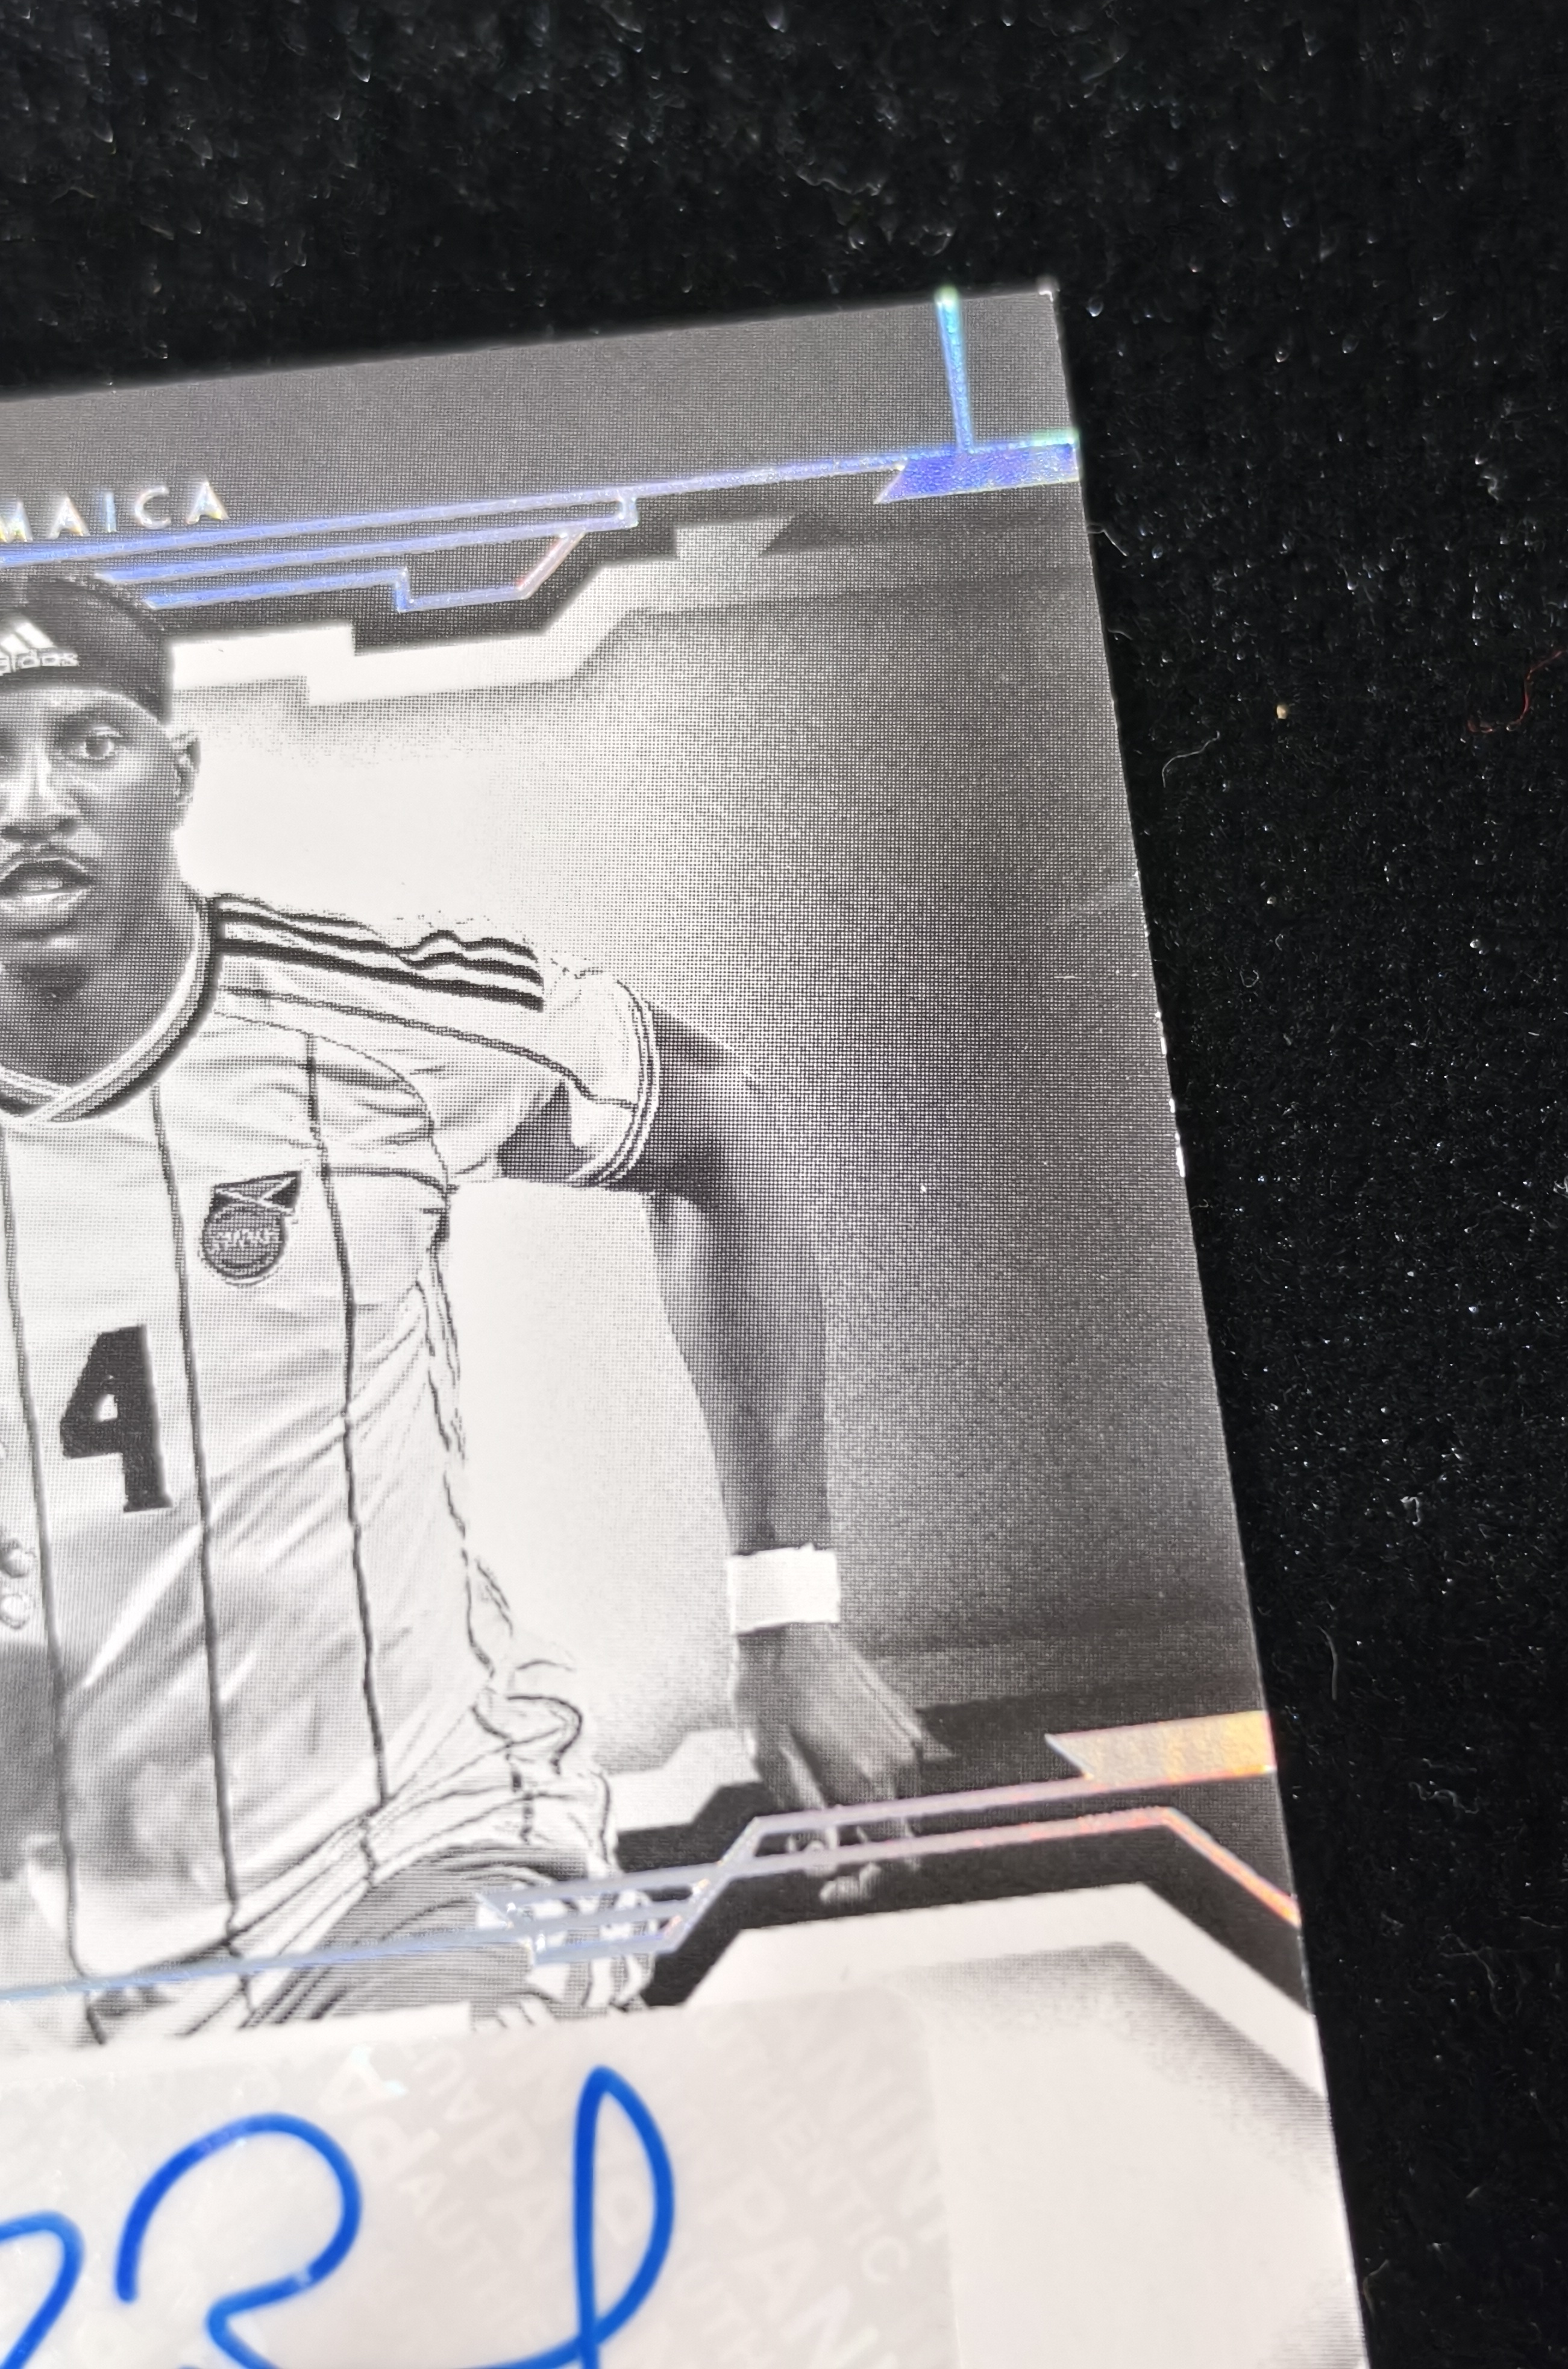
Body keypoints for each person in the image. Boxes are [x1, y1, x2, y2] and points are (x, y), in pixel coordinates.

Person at [0, 573, 929, 2042]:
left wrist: (788, 1615)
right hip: (57, 1967)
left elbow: (718, 1125)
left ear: (179, 772)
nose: (32, 801)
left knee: (440, 2161)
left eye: (88, 740)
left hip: (419, 1865)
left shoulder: (368, 1017)